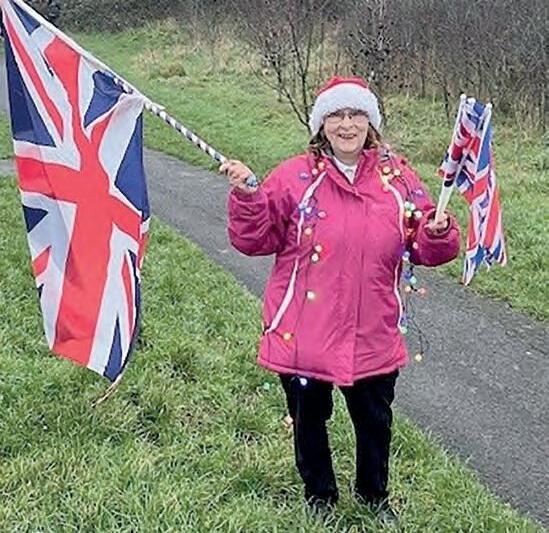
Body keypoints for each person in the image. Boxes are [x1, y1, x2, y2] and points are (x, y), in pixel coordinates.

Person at [221, 77, 460, 523]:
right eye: (336, 115)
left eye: (355, 115)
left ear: (370, 122)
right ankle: (320, 496)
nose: (346, 125)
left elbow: (424, 247)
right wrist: (250, 197)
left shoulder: (398, 179)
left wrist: (438, 231)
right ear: (321, 124)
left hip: (373, 330)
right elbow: (255, 240)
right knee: (308, 418)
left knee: (375, 422)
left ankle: (373, 497)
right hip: (303, 331)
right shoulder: (293, 177)